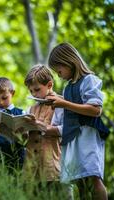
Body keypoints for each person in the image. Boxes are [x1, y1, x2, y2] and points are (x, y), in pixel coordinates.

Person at [47, 42, 109, 200]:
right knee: (79, 180)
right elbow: (74, 102)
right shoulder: (68, 87)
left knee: (94, 178)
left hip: (87, 136)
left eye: (58, 70)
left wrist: (64, 103)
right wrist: (58, 99)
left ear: (68, 62)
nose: (58, 75)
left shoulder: (89, 80)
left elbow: (95, 109)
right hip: (73, 137)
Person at [23, 64, 71, 198]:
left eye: (37, 90)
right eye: (31, 91)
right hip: (32, 170)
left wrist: (40, 125)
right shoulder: (31, 109)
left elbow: (67, 130)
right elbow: (26, 137)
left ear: (49, 85)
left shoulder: (62, 103)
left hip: (55, 168)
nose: (34, 94)